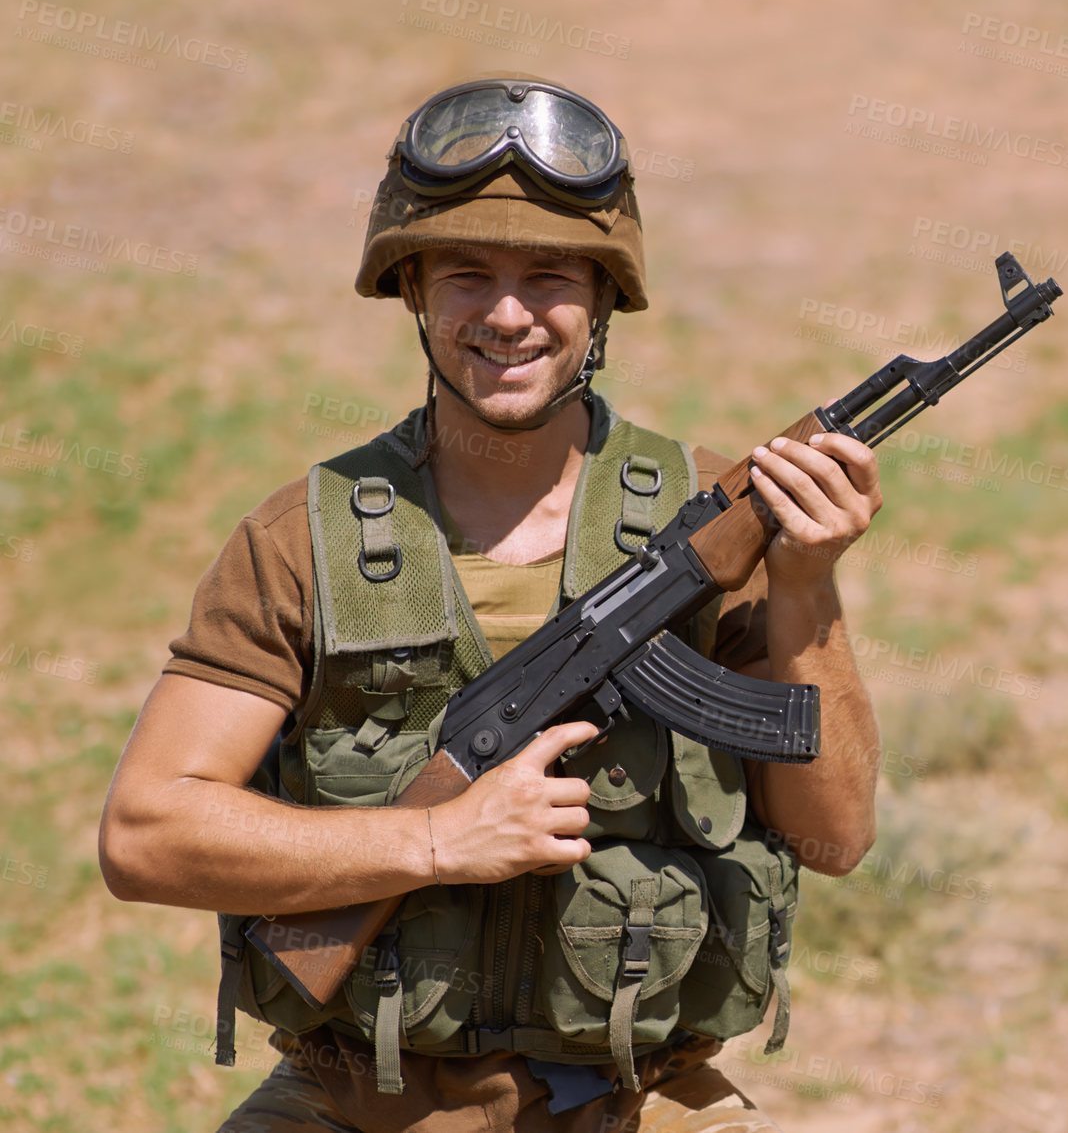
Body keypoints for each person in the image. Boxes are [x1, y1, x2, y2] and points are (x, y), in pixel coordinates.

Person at [98, 73, 885, 1133]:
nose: (507, 314)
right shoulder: (306, 540)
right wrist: (436, 842)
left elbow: (835, 840)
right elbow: (147, 834)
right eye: (467, 274)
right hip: (362, 1100)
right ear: (413, 290)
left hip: (643, 1099)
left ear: (604, 298)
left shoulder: (708, 531)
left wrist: (807, 582)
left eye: (551, 275)